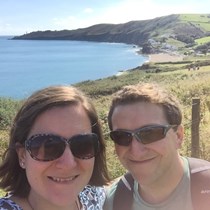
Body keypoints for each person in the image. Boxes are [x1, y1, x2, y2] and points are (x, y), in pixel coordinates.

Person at [0, 85, 110, 210]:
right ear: (22, 155)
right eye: (49, 147)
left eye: (82, 145)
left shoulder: (95, 197)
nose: (68, 163)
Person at [104, 82, 210, 210]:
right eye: (121, 136)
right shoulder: (113, 202)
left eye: (150, 133)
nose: (136, 151)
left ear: (178, 136)